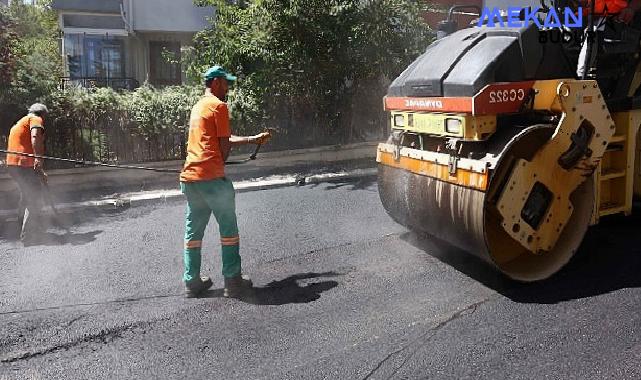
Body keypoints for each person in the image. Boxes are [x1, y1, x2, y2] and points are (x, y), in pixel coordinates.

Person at [179, 66, 271, 298]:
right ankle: (233, 280)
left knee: (193, 232)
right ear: (217, 82)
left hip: (190, 178)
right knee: (228, 229)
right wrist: (221, 162)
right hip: (212, 179)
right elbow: (224, 146)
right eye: (226, 83)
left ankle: (192, 281)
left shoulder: (198, 106)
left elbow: (219, 139)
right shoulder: (219, 106)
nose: (228, 87)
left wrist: (252, 139)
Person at [5, 103, 49, 243]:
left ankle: (21, 228)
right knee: (34, 196)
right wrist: (38, 159)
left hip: (13, 164)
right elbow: (35, 137)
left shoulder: (19, 123)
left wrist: (40, 170)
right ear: (42, 114)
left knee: (26, 194)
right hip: (24, 164)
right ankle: (29, 235)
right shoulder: (35, 119)